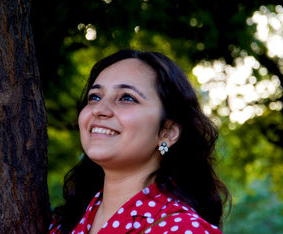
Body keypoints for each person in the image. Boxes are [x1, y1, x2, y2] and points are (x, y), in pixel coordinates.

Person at [49, 49, 230, 233]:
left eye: (127, 98)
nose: (99, 109)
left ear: (167, 132)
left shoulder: (183, 229)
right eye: (94, 97)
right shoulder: (61, 223)